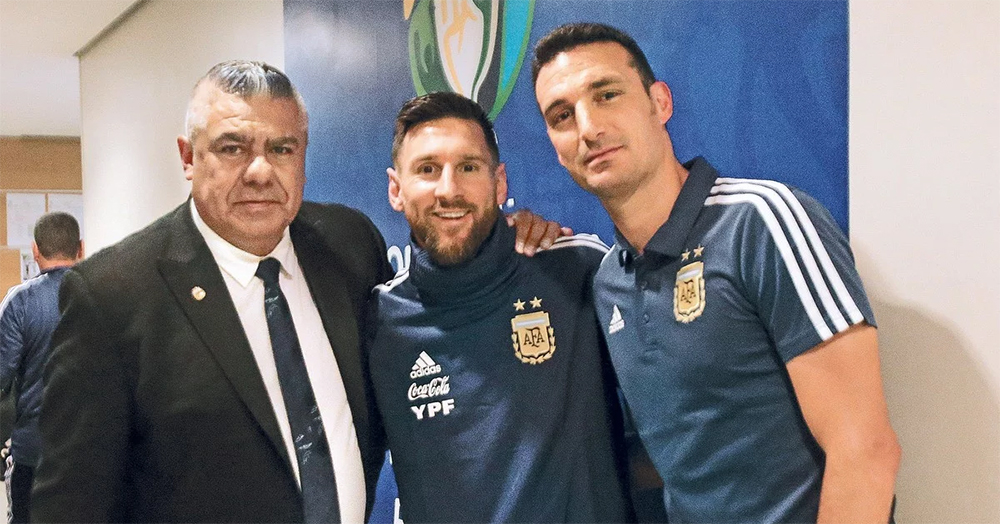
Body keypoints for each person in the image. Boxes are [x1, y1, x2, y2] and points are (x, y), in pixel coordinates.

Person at [30, 60, 560, 523]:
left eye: (281, 149)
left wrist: (514, 236)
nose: (260, 172)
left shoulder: (348, 245)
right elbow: (69, 507)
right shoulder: (110, 297)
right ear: (188, 157)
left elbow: (444, 284)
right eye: (232, 148)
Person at [531, 23, 901, 523]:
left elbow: (866, 451)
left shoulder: (761, 222)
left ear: (660, 103)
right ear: (555, 146)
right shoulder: (608, 282)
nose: (588, 127)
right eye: (562, 115)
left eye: (607, 94)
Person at [367, 91, 632, 523]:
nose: (449, 190)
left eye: (468, 167)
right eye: (428, 169)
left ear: (500, 183)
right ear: (396, 189)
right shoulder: (379, 321)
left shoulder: (575, 270)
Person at [0, 212, 82, 524]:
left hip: (33, 450)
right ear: (80, 248)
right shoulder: (105, 297)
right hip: (91, 449)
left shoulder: (20, 302)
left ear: (35, 251)